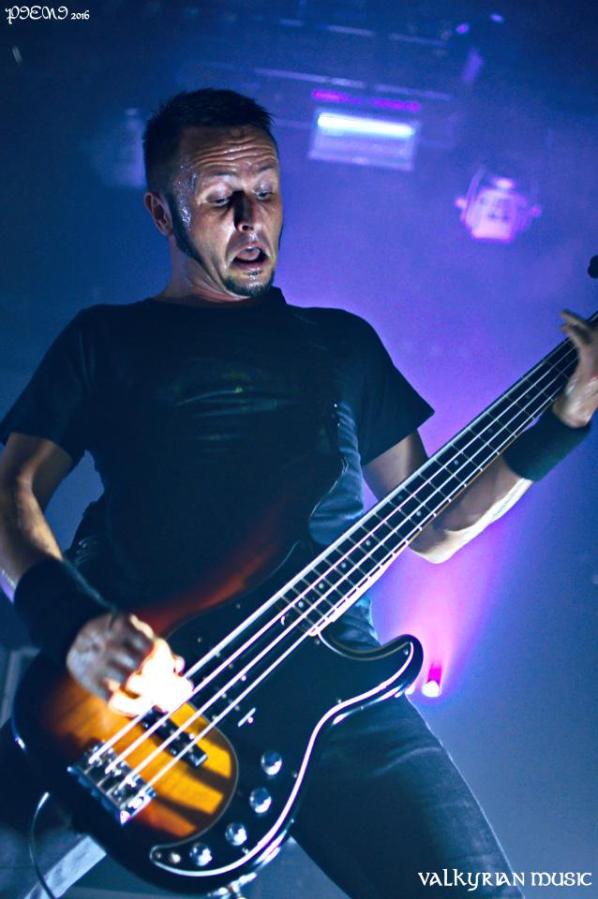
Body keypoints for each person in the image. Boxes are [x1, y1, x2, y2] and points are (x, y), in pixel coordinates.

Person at [0, 89, 595, 899]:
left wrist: (565, 419)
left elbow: (433, 525)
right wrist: (73, 626)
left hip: (334, 685)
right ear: (162, 213)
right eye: (221, 198)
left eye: (267, 191)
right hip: (141, 694)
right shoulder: (105, 339)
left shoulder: (341, 344)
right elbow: (10, 490)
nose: (252, 219)